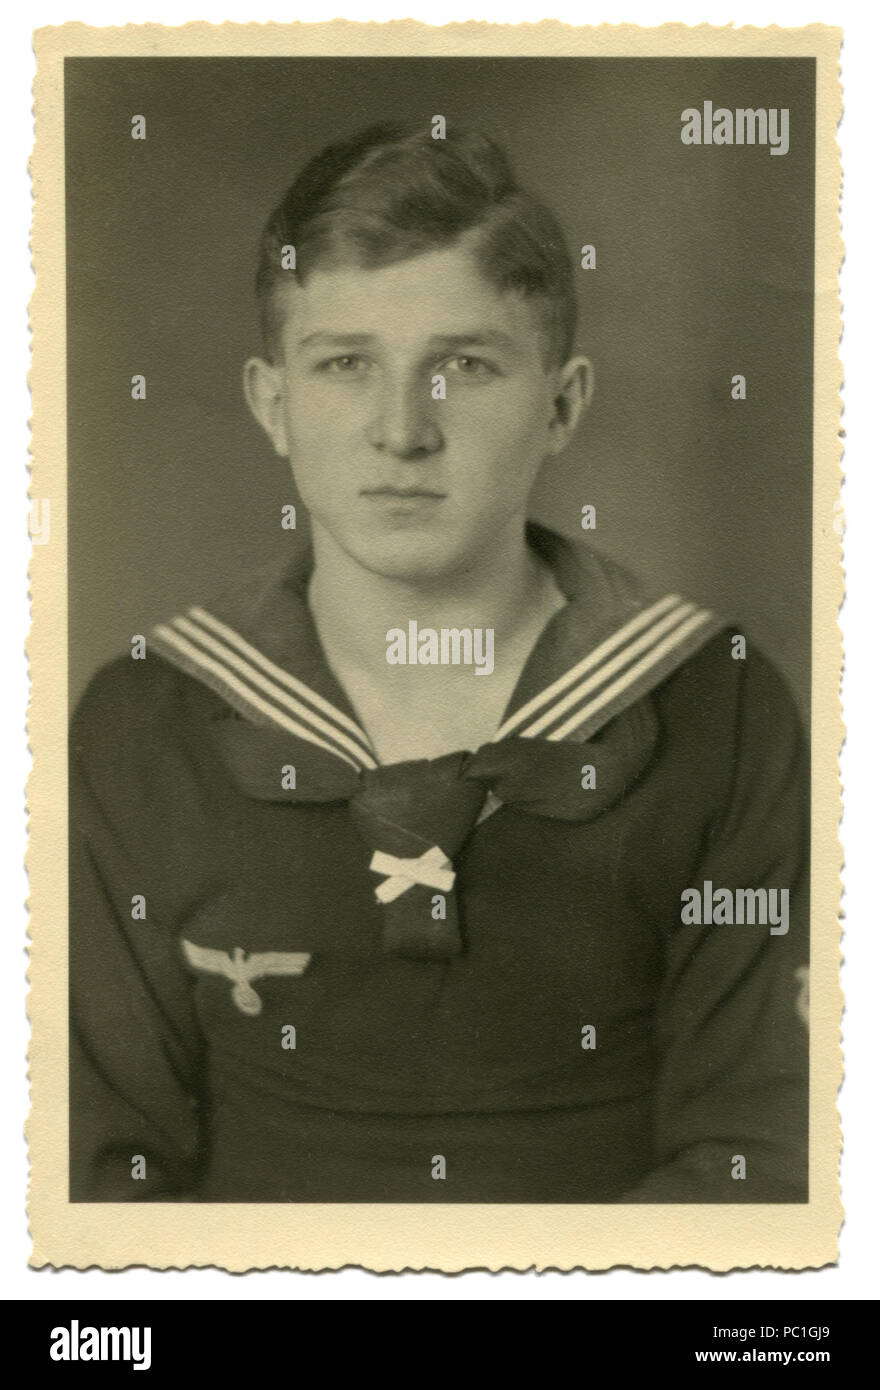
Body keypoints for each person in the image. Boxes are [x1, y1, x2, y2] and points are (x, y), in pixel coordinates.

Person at [69, 122, 808, 1203]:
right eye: (344, 365)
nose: (402, 430)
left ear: (561, 404)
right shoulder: (143, 719)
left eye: (462, 365)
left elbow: (758, 1153)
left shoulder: (718, 703)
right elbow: (95, 1175)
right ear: (274, 404)